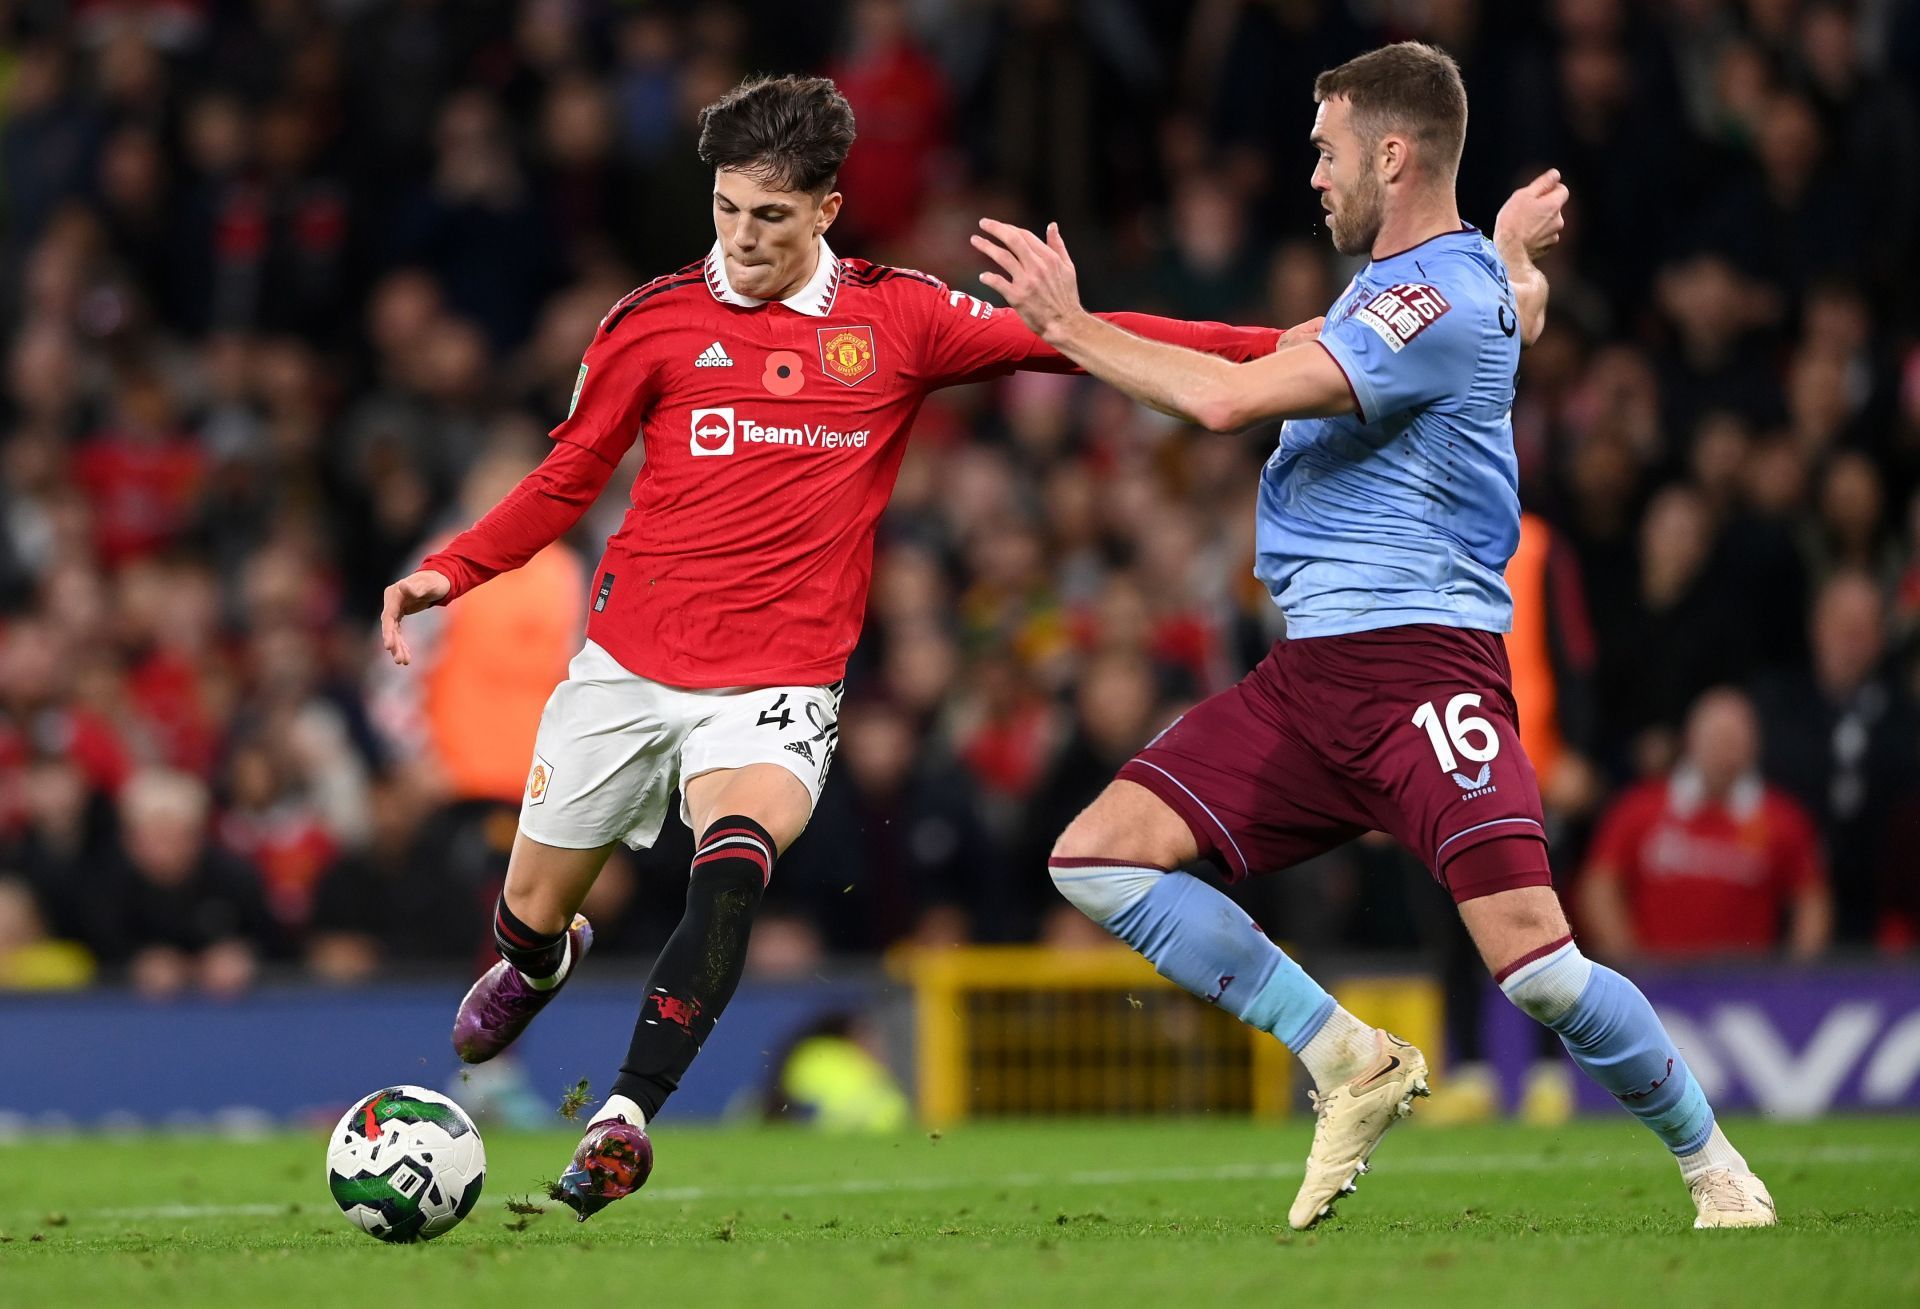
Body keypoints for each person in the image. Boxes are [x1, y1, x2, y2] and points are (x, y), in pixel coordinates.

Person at [377, 74, 1293, 1221]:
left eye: (770, 215)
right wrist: (449, 569)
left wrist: (1280, 344)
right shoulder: (650, 321)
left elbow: (1071, 342)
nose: (742, 240)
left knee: (735, 860)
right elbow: (568, 476)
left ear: (827, 207)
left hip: (777, 680)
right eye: (726, 210)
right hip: (627, 667)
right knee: (529, 907)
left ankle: (625, 1116)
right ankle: (540, 960)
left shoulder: (896, 318)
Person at [974, 42, 1775, 1231]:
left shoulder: (1423, 300)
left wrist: (1071, 327)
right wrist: (1509, 250)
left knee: (1543, 973)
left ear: (1392, 155)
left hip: (1419, 675)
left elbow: (1224, 399)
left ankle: (1716, 1166)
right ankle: (1346, 1052)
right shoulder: (1443, 287)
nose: (1311, 174)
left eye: (1326, 150)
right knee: (1096, 855)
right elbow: (1507, 310)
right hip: (1309, 682)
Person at [1579, 688, 1831, 962]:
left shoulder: (1783, 819)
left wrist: (1796, 977)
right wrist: (1631, 964)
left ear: (1754, 745)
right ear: (1690, 739)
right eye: (1716, 739)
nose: (1724, 752)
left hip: (1747, 990)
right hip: (1657, 984)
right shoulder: (1639, 809)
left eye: (1734, 741)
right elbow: (1598, 887)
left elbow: (1812, 900)